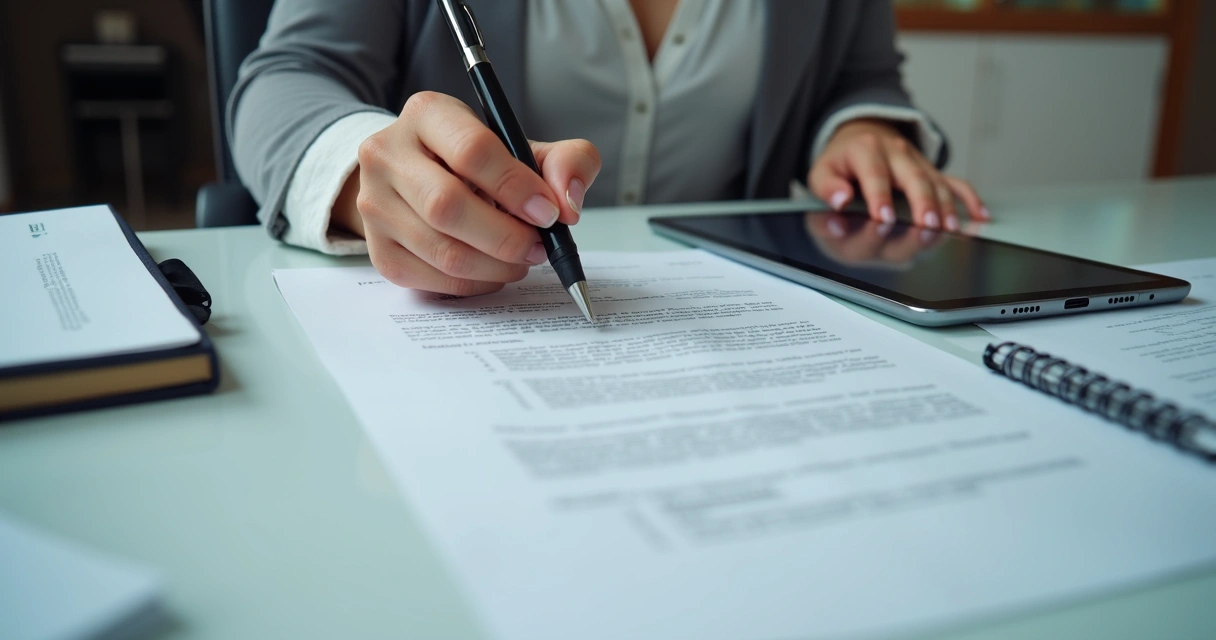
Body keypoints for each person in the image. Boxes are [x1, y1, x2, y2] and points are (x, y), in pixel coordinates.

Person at [231, 0, 987, 297]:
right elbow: (288, 76)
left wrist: (860, 128)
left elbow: (859, 77)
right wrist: (373, 171)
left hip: (734, 302)